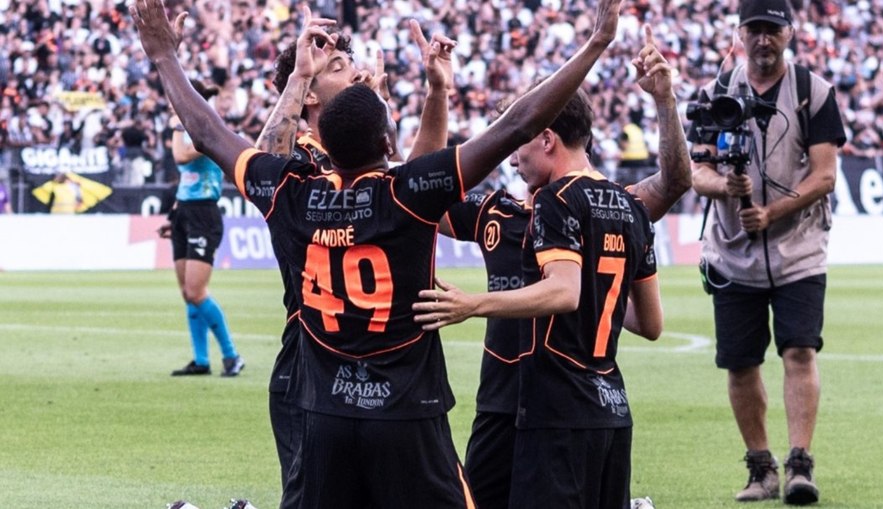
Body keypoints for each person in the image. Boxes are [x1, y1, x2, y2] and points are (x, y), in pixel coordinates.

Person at [130, 0, 623, 506]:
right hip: (407, 413)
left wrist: (164, 56)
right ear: (388, 144)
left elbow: (207, 133)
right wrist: (596, 43)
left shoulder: (290, 192)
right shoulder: (405, 195)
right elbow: (518, 124)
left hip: (324, 408)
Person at [437, 24, 689, 509]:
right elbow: (650, 323)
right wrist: (439, 93)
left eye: (518, 142)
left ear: (547, 138)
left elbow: (565, 291)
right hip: (571, 402)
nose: (512, 159)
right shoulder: (622, 208)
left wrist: (473, 304)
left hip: (550, 402)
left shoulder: (561, 200)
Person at [254, 9, 456, 489]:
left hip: (384, 363)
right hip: (312, 357)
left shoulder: (360, 153)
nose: (356, 71)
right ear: (308, 95)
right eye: (339, 66)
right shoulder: (303, 156)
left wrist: (411, 106)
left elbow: (416, 186)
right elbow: (263, 163)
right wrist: (301, 76)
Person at [687, 0, 846, 504]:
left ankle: (799, 465)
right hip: (732, 252)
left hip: (800, 248)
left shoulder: (813, 91)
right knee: (740, 363)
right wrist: (725, 188)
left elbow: (825, 175)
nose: (763, 39)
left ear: (790, 33)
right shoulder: (715, 94)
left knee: (799, 350)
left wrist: (772, 212)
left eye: (772, 30)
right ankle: (761, 469)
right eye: (754, 29)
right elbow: (697, 171)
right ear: (739, 33)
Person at [159, 79, 244, 378]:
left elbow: (181, 156)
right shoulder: (188, 129)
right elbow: (186, 178)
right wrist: (173, 216)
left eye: (174, 99)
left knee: (196, 291)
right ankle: (201, 360)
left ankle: (231, 356)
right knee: (188, 293)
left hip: (204, 214)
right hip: (184, 212)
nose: (171, 105)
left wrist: (176, 125)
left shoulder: (205, 129)